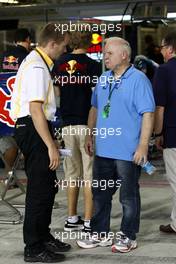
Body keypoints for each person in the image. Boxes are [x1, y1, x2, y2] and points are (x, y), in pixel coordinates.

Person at [76, 37, 155, 253]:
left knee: (128, 196)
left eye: (109, 53)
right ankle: (99, 233)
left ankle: (128, 235)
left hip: (128, 151)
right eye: (105, 53)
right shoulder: (103, 79)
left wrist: (142, 146)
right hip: (103, 150)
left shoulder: (139, 80)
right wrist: (90, 135)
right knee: (100, 193)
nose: (105, 57)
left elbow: (148, 113)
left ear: (124, 55)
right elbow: (94, 108)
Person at [10, 23, 71, 263]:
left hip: (35, 128)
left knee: (47, 187)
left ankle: (43, 236)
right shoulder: (37, 66)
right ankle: (33, 247)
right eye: (63, 46)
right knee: (39, 190)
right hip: (33, 128)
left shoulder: (39, 62)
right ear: (52, 43)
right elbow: (36, 110)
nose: (64, 50)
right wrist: (50, 145)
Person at [53, 29, 102, 233]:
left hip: (66, 126)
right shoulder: (93, 65)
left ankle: (72, 218)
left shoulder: (58, 64)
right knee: (89, 175)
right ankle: (89, 221)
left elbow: (55, 96)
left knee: (72, 173)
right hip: (86, 125)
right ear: (89, 43)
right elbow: (97, 100)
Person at [153, 31, 176, 234]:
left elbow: (159, 106)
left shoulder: (164, 70)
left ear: (170, 49)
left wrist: (157, 133)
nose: (160, 51)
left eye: (162, 47)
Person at [0, 28, 31, 173]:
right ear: (28, 39)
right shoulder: (29, 58)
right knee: (27, 141)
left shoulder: (3, 56)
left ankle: (8, 175)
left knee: (10, 143)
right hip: (22, 108)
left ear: (14, 41)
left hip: (4, 110)